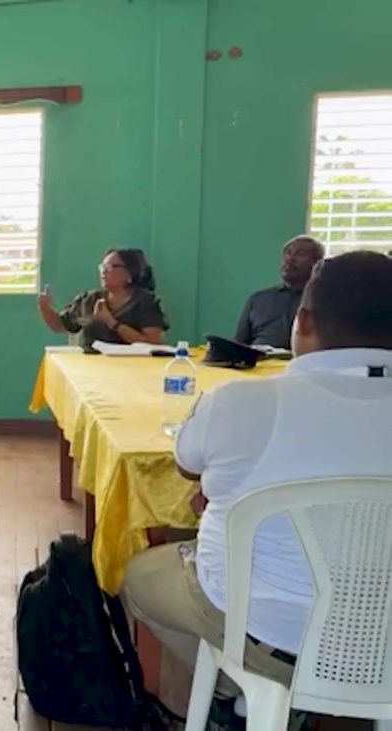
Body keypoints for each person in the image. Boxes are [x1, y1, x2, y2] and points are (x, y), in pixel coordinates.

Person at [122, 251, 392, 701]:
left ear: (302, 321)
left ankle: (234, 691)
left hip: (268, 631)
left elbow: (187, 464)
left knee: (139, 578)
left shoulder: (242, 403)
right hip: (385, 641)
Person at [37, 248, 168, 346]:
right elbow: (59, 326)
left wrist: (111, 322)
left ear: (130, 273)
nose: (103, 271)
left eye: (110, 267)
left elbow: (153, 344)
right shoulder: (89, 299)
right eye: (102, 267)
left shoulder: (144, 302)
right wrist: (45, 307)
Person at [234, 236, 326, 349]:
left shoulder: (326, 300)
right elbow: (239, 345)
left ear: (318, 263)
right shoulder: (258, 299)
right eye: (287, 253)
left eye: (300, 254)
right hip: (259, 363)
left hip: (304, 364)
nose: (290, 259)